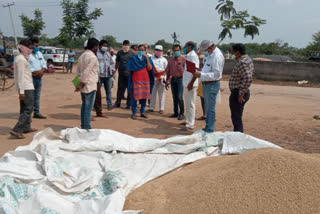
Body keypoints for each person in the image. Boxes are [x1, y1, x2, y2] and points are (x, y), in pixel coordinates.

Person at [193, 40, 225, 133]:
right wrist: (201, 70)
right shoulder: (210, 55)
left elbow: (216, 75)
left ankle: (210, 129)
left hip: (212, 84)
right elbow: (208, 68)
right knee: (207, 107)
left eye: (206, 49)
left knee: (210, 108)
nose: (205, 51)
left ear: (210, 47)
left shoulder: (217, 56)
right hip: (206, 84)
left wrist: (201, 75)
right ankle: (207, 127)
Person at [10, 39, 37, 139]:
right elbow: (20, 76)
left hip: (26, 86)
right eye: (29, 48)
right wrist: (21, 92)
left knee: (24, 108)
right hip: (26, 87)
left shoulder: (22, 58)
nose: (30, 50)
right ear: (24, 48)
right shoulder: (21, 59)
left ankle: (26, 127)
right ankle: (17, 129)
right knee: (28, 109)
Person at [75, 38, 99, 130]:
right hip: (89, 85)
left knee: (84, 106)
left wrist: (77, 84)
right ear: (94, 47)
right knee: (88, 108)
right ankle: (87, 127)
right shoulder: (92, 57)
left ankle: (83, 125)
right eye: (97, 46)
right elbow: (86, 72)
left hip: (83, 84)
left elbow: (78, 71)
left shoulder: (82, 55)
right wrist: (81, 84)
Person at [229, 43, 254, 133]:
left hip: (238, 93)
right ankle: (238, 133)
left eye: (233, 51)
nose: (232, 53)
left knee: (236, 116)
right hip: (239, 92)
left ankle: (238, 135)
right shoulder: (247, 59)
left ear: (237, 52)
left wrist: (241, 93)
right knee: (237, 115)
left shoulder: (242, 62)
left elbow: (248, 78)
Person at [126, 45, 154, 120]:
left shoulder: (147, 59)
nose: (141, 51)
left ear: (145, 51)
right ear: (137, 50)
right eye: (139, 49)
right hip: (136, 81)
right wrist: (134, 68)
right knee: (134, 97)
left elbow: (150, 68)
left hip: (145, 81)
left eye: (142, 50)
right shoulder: (133, 58)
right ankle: (134, 113)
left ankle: (142, 112)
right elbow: (128, 69)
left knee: (144, 97)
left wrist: (147, 59)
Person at [181, 41, 200, 131]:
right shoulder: (189, 56)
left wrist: (191, 83)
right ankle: (188, 120)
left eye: (185, 46)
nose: (184, 48)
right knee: (188, 104)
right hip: (187, 82)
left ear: (189, 47)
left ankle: (190, 124)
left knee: (190, 104)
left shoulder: (192, 56)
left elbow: (195, 71)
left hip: (190, 83)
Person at [165, 44, 185, 121]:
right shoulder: (170, 60)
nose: (176, 52)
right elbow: (168, 72)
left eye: (178, 50)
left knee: (180, 97)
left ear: (180, 51)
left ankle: (181, 113)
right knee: (174, 97)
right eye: (175, 50)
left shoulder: (184, 59)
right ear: (173, 51)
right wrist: (167, 81)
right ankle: (175, 112)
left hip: (181, 80)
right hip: (173, 80)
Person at [29, 37, 47, 119]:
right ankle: (27, 113)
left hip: (39, 78)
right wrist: (34, 72)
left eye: (37, 45)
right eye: (35, 45)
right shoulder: (27, 54)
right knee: (29, 96)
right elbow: (27, 66)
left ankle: (36, 112)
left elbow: (43, 62)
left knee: (37, 96)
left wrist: (42, 70)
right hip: (30, 78)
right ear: (31, 44)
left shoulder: (39, 53)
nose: (37, 47)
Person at [114, 40, 134, 108]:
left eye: (127, 45)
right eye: (125, 45)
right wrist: (114, 70)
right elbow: (117, 62)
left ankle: (128, 104)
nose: (126, 46)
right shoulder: (119, 53)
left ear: (129, 45)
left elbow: (134, 63)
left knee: (129, 89)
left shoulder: (132, 53)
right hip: (121, 73)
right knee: (120, 88)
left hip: (129, 74)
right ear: (122, 45)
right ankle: (118, 102)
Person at [97, 40, 115, 111]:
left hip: (108, 76)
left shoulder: (108, 54)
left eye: (106, 46)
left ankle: (109, 105)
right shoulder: (96, 53)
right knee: (97, 92)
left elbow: (112, 63)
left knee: (108, 91)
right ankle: (96, 106)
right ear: (100, 46)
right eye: (104, 46)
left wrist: (113, 70)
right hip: (99, 76)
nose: (105, 47)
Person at [150, 45, 168, 114]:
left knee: (162, 94)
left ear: (162, 51)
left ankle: (161, 108)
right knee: (152, 93)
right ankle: (152, 107)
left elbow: (166, 70)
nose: (158, 51)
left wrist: (166, 79)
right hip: (153, 78)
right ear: (154, 50)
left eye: (159, 50)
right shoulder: (150, 58)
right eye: (157, 50)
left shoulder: (164, 59)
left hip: (161, 78)